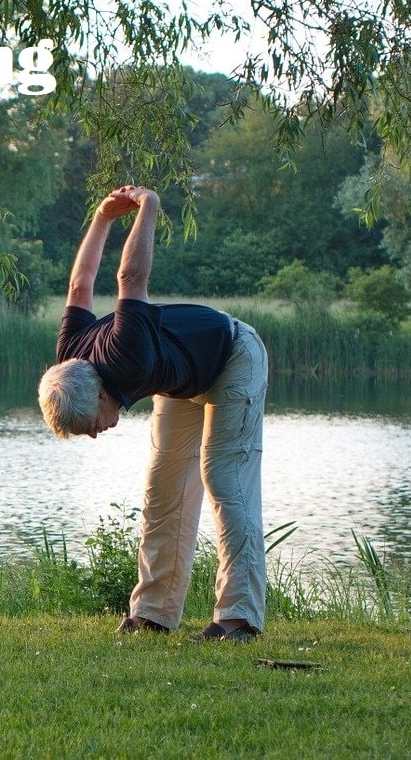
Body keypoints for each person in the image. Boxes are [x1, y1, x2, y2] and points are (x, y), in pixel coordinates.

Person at [37, 185, 269, 642]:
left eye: (90, 428)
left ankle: (239, 618)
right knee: (162, 489)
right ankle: (153, 613)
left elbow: (130, 278)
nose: (97, 435)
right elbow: (79, 285)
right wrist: (102, 218)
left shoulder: (127, 356)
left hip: (233, 356)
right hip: (181, 378)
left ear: (100, 396)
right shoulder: (70, 355)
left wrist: (149, 208)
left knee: (223, 477)